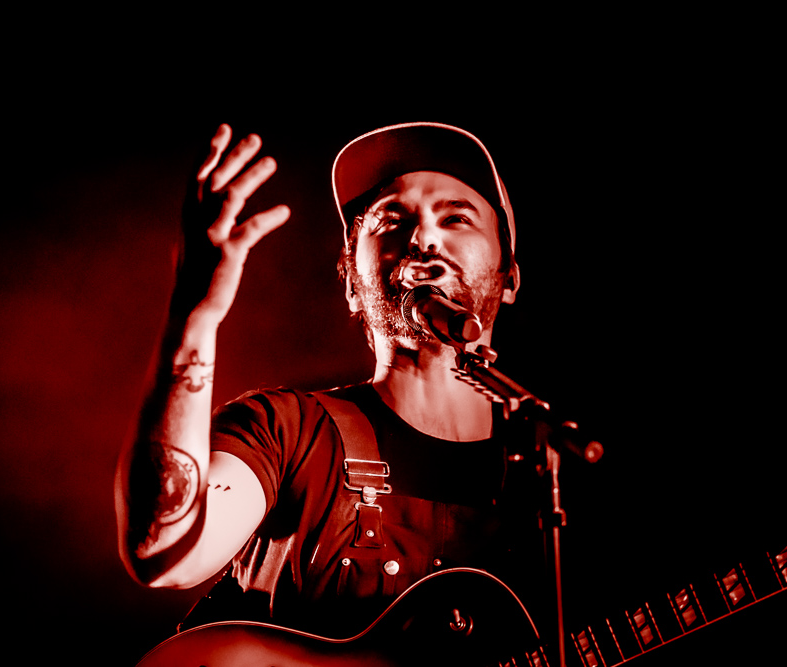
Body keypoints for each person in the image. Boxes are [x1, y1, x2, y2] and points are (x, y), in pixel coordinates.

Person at [115, 121, 545, 644]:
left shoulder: (554, 469)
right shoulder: (284, 430)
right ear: (350, 285)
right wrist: (194, 319)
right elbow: (164, 552)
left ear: (511, 279)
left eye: (456, 218)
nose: (424, 237)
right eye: (390, 219)